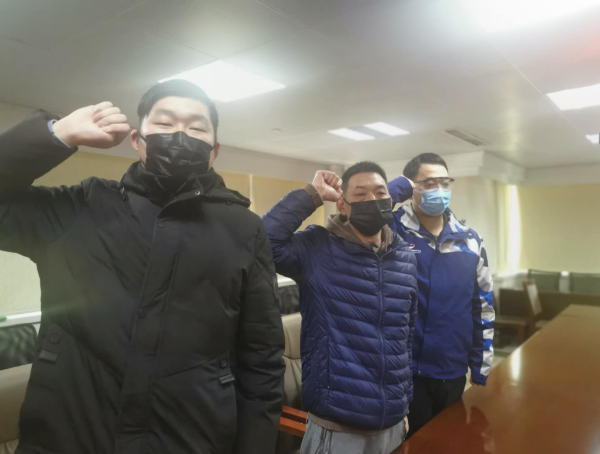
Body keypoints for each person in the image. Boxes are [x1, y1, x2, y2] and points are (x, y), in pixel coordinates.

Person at [0, 80, 285, 454]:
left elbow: (261, 357)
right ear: (137, 139)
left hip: (192, 439)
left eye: (196, 128)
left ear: (214, 151)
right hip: (69, 437)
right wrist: (55, 135)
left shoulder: (244, 229)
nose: (180, 136)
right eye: (164, 123)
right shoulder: (80, 207)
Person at [262, 162, 418, 454]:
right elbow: (261, 241)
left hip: (394, 424)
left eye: (380, 193)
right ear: (343, 205)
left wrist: (404, 404)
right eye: (361, 194)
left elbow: (405, 338)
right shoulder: (317, 248)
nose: (372, 200)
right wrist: (312, 195)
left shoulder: (404, 257)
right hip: (338, 428)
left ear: (390, 200)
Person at [387, 153, 495, 436]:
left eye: (444, 183)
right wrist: (397, 187)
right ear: (412, 187)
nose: (439, 189)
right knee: (407, 443)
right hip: (401, 370)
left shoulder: (470, 240)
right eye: (429, 183)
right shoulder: (391, 229)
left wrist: (481, 363)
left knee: (448, 440)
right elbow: (358, 214)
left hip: (452, 367)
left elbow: (482, 305)